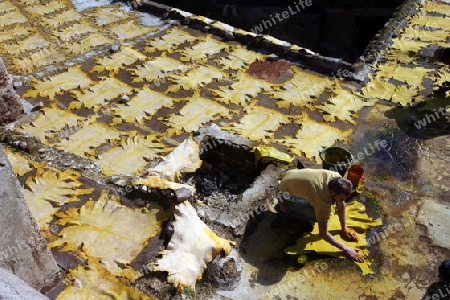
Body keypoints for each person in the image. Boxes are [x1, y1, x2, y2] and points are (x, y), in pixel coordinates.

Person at [275, 168, 365, 262]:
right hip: (283, 192)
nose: (343, 200)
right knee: (317, 217)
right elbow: (323, 233)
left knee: (322, 205)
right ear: (332, 192)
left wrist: (344, 228)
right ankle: (283, 207)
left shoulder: (336, 177)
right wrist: (346, 248)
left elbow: (341, 203)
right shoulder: (323, 201)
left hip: (290, 175)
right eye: (341, 198)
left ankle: (289, 203)